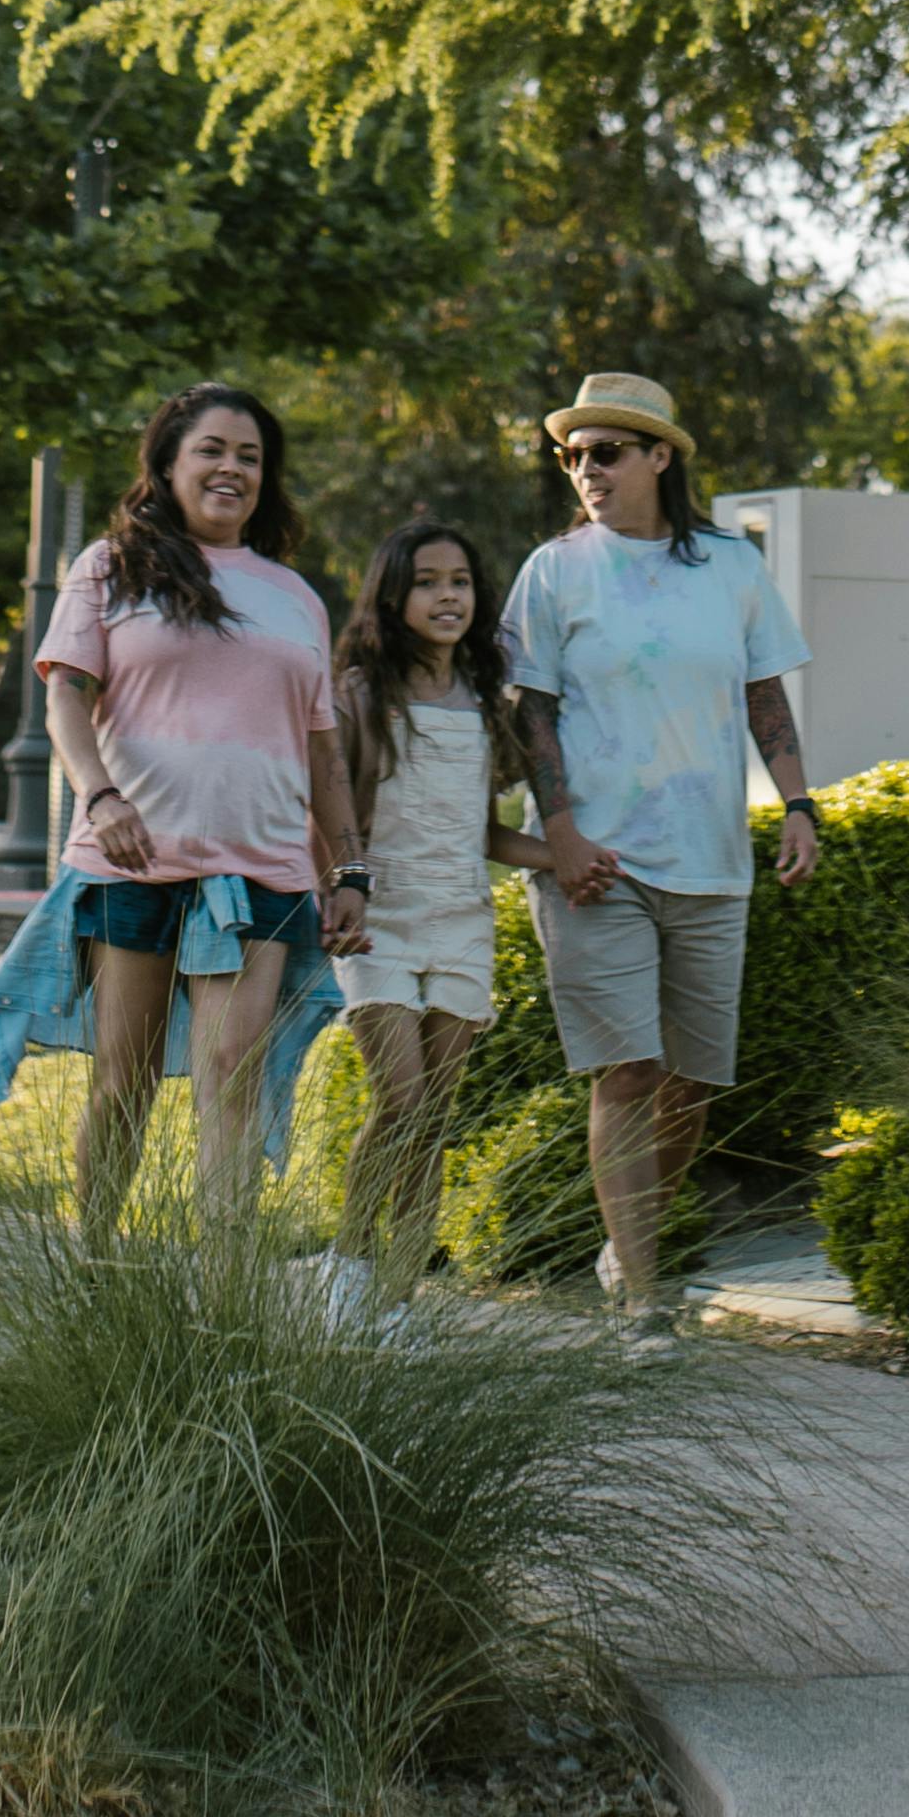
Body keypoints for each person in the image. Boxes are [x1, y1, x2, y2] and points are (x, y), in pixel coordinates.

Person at [499, 367, 821, 1320]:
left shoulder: (729, 566)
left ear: (658, 456)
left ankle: (619, 1245)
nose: (584, 470)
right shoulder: (552, 570)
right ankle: (643, 1299)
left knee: (688, 1084)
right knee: (627, 1068)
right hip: (595, 859)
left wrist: (801, 804)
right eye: (571, 455)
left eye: (604, 452)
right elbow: (531, 710)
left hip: (711, 855)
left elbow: (764, 693)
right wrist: (558, 833)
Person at [33, 379, 371, 1234]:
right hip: (135, 861)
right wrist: (98, 793)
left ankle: (223, 1292)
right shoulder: (108, 566)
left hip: (262, 868)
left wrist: (350, 871)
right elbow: (65, 698)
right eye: (212, 450)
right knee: (125, 1080)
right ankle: (93, 1255)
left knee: (233, 1067)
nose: (231, 468)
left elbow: (324, 751)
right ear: (169, 463)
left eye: (249, 456)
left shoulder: (294, 595)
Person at [331, 513, 546, 1273]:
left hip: (461, 921)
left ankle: (400, 1295)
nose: (445, 595)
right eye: (426, 582)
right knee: (400, 1099)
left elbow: (482, 832)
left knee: (433, 1120)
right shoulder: (360, 692)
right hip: (377, 921)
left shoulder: (486, 702)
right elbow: (330, 809)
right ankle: (350, 1267)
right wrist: (338, 885)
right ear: (392, 597)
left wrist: (560, 858)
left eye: (458, 582)